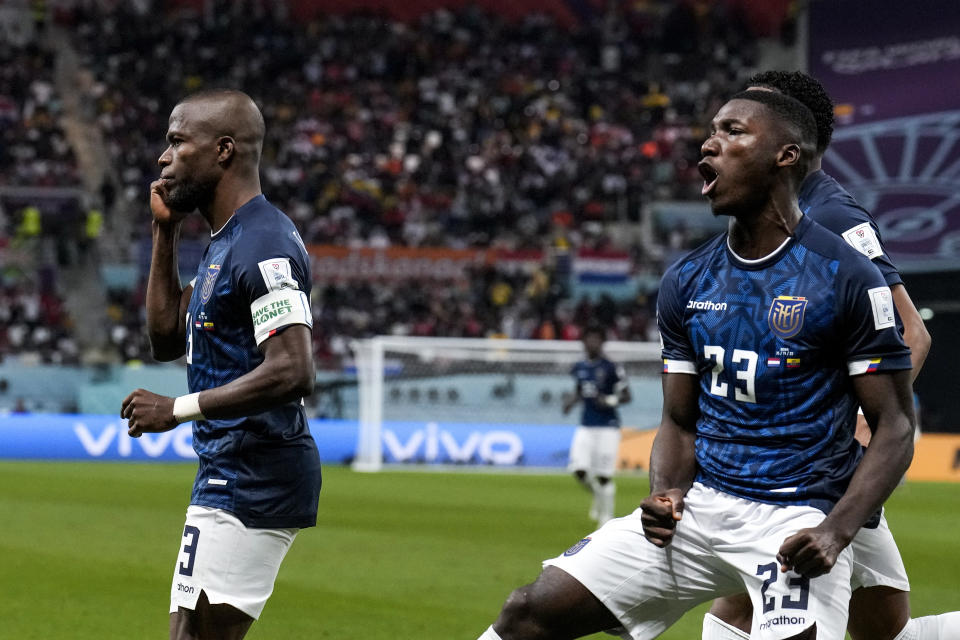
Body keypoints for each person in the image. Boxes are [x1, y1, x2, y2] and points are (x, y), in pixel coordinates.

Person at [476, 89, 917, 640]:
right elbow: (679, 420)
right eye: (712, 131)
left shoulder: (847, 275)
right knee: (527, 613)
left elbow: (896, 426)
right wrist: (666, 491)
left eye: (733, 132)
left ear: (787, 155)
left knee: (880, 629)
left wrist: (836, 530)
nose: (709, 144)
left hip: (795, 518)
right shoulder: (687, 280)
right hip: (701, 506)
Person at [702, 70, 957, 640]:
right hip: (807, 459)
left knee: (736, 608)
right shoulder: (768, 216)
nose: (725, 138)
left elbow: (911, 332)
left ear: (789, 138)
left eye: (746, 122)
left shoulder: (833, 217)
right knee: (884, 631)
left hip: (815, 466)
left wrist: (868, 432)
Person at [120, 89, 322, 640]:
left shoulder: (264, 243)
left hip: (254, 476)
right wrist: (166, 232)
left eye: (178, 141)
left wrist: (177, 409)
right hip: (229, 468)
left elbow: (293, 370)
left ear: (224, 150)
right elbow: (165, 339)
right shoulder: (225, 242)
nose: (164, 157)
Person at [561, 324, 632, 525]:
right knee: (579, 471)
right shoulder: (580, 367)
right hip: (586, 425)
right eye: (589, 338)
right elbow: (580, 390)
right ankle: (598, 496)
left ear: (602, 342)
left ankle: (606, 519)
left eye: (596, 339)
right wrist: (570, 402)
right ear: (583, 342)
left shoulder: (611, 368)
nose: (592, 342)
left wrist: (609, 401)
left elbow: (627, 395)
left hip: (608, 426)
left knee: (603, 476)